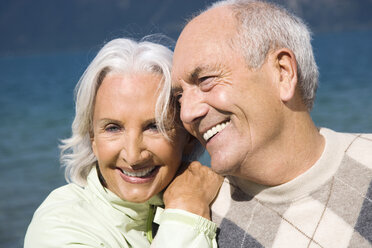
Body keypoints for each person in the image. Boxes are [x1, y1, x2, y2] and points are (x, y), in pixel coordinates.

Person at [163, 0, 372, 247]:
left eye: (206, 80)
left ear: (283, 73)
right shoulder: (197, 222)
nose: (186, 113)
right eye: (179, 96)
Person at [24, 37, 221, 248]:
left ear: (188, 136)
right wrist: (186, 210)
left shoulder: (220, 196)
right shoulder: (58, 226)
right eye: (113, 128)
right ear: (92, 137)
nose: (133, 156)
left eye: (154, 127)